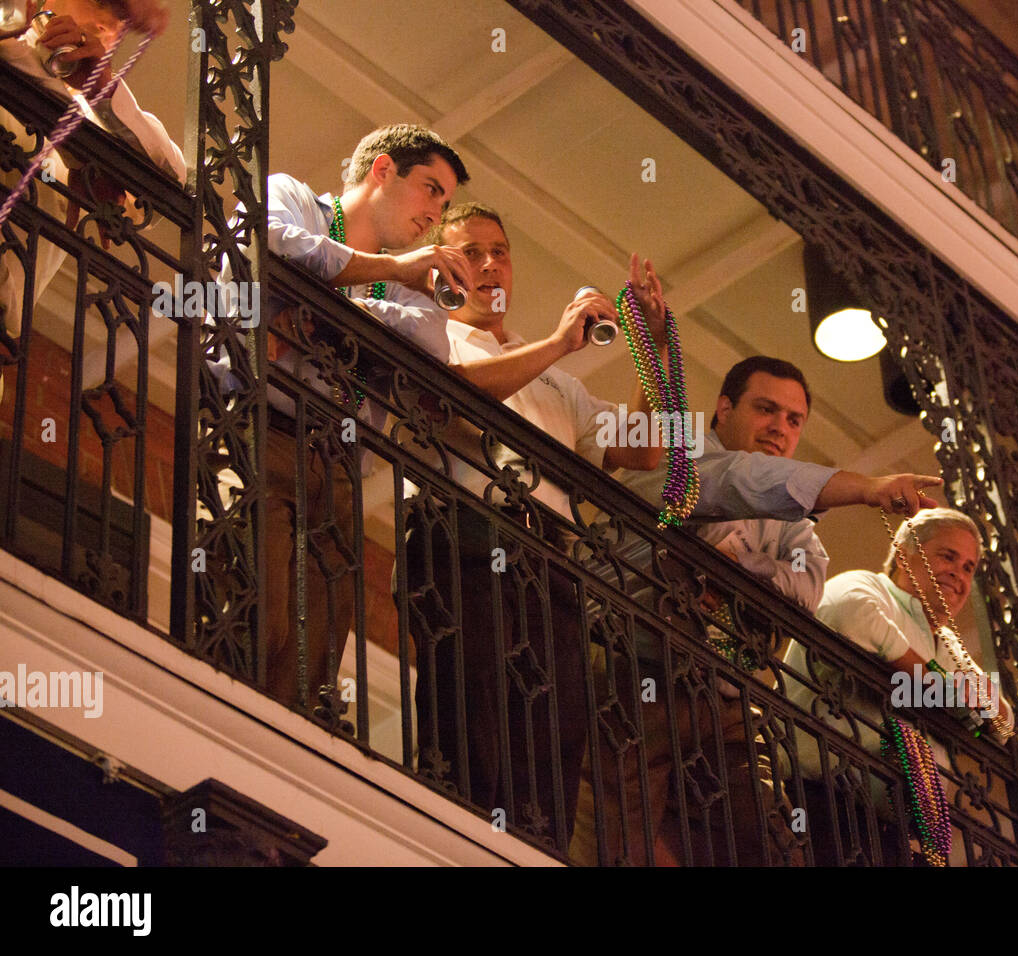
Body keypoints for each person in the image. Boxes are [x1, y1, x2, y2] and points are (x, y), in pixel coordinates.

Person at [215, 127, 585, 715]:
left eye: (443, 204)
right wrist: (380, 280)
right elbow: (276, 245)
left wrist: (321, 305)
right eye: (430, 191)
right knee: (256, 618)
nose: (434, 214)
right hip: (261, 431)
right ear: (382, 170)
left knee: (308, 663)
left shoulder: (412, 280)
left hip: (339, 474)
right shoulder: (295, 197)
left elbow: (426, 343)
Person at [571, 355, 944, 865]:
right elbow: (740, 480)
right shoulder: (676, 449)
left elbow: (810, 584)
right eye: (766, 409)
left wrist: (743, 566)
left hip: (723, 697)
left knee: (770, 843)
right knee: (616, 839)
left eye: (794, 421)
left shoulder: (791, 521)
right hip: (631, 669)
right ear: (723, 408)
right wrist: (867, 488)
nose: (780, 428)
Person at [398, 200, 665, 853]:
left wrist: (651, 349)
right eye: (471, 251)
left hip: (551, 565)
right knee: (476, 713)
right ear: (442, 264)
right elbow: (452, 391)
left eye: (501, 251)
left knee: (556, 730)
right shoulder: (429, 328)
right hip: (466, 541)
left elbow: (647, 448)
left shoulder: (556, 383)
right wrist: (557, 344)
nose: (490, 264)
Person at [785, 506, 1014, 864]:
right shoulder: (867, 585)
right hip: (815, 798)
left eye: (969, 567)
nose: (959, 574)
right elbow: (851, 613)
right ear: (906, 556)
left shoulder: (948, 645)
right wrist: (943, 689)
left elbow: (1003, 725)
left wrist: (970, 695)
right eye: (947, 556)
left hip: (888, 832)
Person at [0, 0, 185, 339]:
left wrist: (101, 87)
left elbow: (172, 187)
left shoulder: (103, 116)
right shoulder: (9, 35)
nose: (108, 24)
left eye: (122, 19)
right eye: (103, 2)